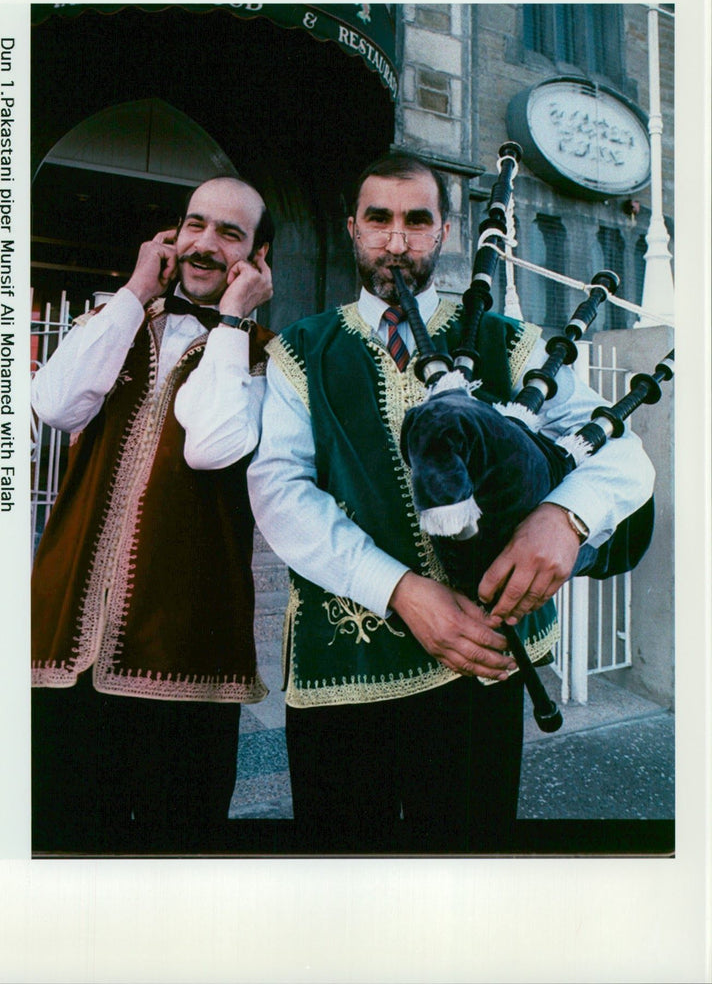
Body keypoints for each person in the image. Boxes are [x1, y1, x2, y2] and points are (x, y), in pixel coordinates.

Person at [247, 151, 655, 853]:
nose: (396, 241)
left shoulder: (509, 341)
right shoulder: (301, 349)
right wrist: (401, 590)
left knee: (467, 867)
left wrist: (565, 519)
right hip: (347, 668)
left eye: (416, 220)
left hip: (484, 664)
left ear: (444, 231)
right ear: (352, 227)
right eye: (378, 219)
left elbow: (622, 453)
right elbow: (281, 492)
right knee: (343, 871)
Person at [30, 175, 275, 854]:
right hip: (65, 647)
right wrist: (136, 292)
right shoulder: (115, 323)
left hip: (186, 657)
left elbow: (212, 446)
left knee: (177, 855)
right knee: (63, 849)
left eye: (230, 233)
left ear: (258, 260)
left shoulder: (267, 355)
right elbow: (55, 405)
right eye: (196, 224)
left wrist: (233, 323)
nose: (205, 243)